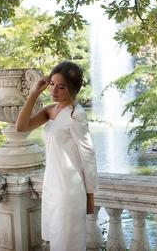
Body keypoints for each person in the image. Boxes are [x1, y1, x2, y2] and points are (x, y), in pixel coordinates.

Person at [15, 61, 97, 251]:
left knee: (68, 242)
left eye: (61, 87)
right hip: (52, 185)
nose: (54, 91)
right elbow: (21, 127)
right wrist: (34, 93)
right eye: (52, 84)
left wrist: (90, 196)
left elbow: (89, 157)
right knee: (57, 241)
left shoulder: (76, 116)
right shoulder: (51, 110)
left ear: (73, 89)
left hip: (70, 189)